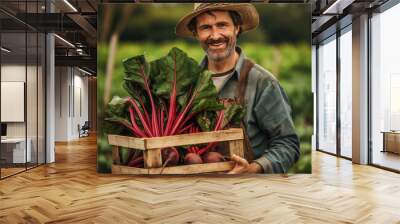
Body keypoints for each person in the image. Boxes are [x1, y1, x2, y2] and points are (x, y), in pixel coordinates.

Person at [175, 3, 300, 174]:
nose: (215, 35)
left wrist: (254, 169)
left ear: (237, 28)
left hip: (246, 191)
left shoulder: (261, 82)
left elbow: (288, 144)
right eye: (205, 27)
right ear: (196, 34)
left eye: (222, 25)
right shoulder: (184, 83)